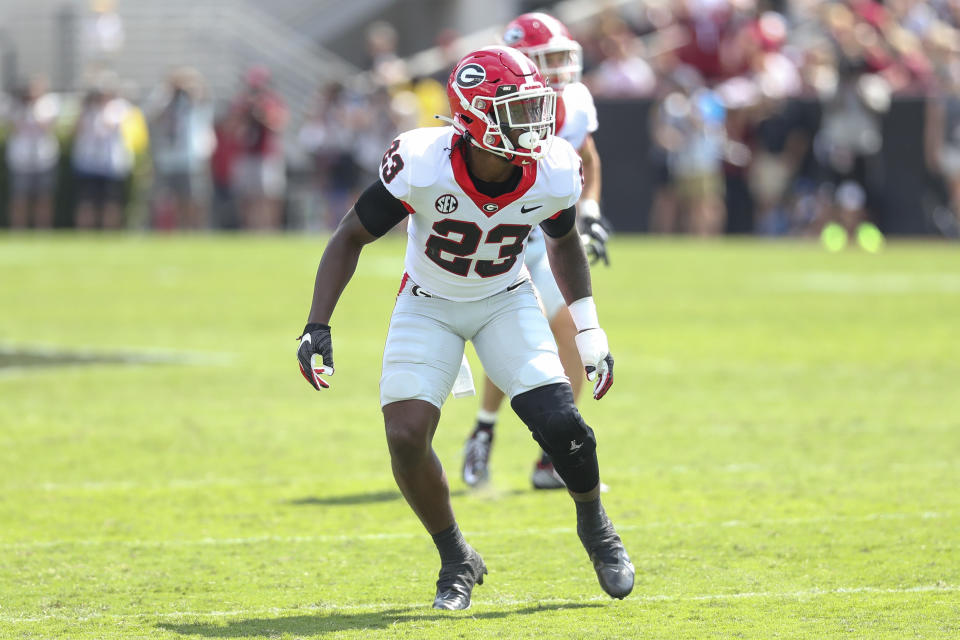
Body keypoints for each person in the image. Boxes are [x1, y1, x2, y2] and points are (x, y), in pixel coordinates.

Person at [297, 46, 633, 610]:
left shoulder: (550, 167)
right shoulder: (422, 161)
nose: (535, 125)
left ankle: (596, 526)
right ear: (476, 119)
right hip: (427, 302)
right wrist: (317, 324)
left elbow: (564, 240)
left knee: (563, 425)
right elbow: (350, 234)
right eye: (518, 111)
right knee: (405, 437)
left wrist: (588, 330)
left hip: (505, 298)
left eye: (536, 108)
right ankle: (456, 557)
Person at [462, 12, 612, 490]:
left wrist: (588, 211)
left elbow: (586, 153)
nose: (560, 72)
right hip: (505, 235)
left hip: (551, 236)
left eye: (561, 59)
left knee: (569, 328)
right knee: (511, 337)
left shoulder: (574, 101)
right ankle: (485, 426)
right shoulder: (495, 107)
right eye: (546, 61)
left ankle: (552, 457)